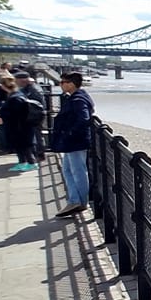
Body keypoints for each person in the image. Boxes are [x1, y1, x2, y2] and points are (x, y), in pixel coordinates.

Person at [51, 72, 95, 218]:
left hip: (75, 141)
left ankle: (79, 202)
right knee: (69, 170)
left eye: (62, 82)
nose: (60, 85)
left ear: (71, 84)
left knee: (78, 171)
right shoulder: (76, 97)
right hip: (73, 141)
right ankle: (75, 200)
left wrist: (69, 132)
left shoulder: (78, 100)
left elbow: (84, 118)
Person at [0, 74, 38, 170]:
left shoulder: (14, 97)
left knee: (23, 146)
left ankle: (29, 163)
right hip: (22, 126)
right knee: (23, 146)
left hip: (18, 127)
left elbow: (14, 113)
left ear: (3, 86)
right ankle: (24, 163)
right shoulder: (17, 94)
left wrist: (1, 112)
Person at [14, 71, 47, 160]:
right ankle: (38, 154)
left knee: (35, 136)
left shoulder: (31, 90)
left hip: (33, 117)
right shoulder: (32, 88)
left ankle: (37, 154)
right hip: (33, 116)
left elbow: (34, 104)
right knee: (36, 136)